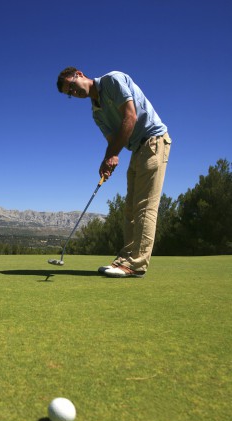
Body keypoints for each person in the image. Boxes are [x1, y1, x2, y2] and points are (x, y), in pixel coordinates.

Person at [56, 67, 172, 278]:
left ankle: (136, 264)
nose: (74, 92)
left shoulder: (112, 80)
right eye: (69, 93)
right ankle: (125, 259)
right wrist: (107, 160)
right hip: (138, 149)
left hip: (154, 141)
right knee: (129, 209)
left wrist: (112, 155)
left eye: (72, 86)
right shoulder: (96, 112)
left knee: (144, 206)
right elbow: (113, 141)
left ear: (80, 74)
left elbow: (130, 117)